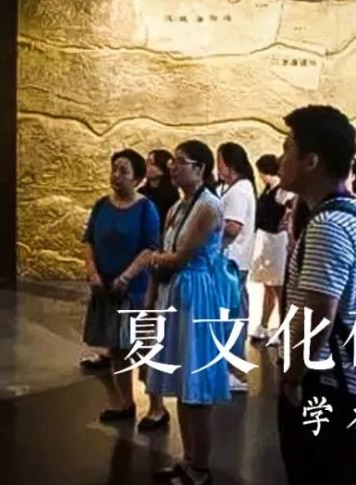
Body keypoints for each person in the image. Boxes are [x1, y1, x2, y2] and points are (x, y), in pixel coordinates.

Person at [276, 105, 356, 485]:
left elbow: (318, 312)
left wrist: (292, 376)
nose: (281, 159)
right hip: (341, 381)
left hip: (325, 384)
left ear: (311, 160)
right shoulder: (349, 214)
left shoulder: (328, 225)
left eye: (288, 148)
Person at [145, 140, 230, 485]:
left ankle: (201, 466)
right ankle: (189, 457)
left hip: (196, 294)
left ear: (200, 169)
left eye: (181, 161)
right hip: (176, 292)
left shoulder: (208, 205)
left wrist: (154, 259)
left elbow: (180, 255)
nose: (173, 167)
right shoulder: (178, 207)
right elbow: (167, 252)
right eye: (173, 161)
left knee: (196, 383)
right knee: (183, 382)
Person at [82, 149, 160, 423]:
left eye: (124, 171)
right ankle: (126, 402)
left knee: (142, 347)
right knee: (116, 347)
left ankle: (156, 407)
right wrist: (92, 272)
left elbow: (150, 248)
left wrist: (126, 277)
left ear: (137, 178)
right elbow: (89, 241)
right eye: (114, 169)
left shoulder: (146, 208)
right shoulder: (101, 205)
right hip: (105, 288)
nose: (117, 175)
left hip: (134, 290)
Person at [136, 148, 181, 432]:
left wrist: (157, 261)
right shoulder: (144, 196)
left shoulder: (173, 202)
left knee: (152, 339)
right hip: (148, 270)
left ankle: (157, 405)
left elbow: (169, 247)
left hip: (157, 273)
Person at [216, 142, 257, 392]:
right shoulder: (235, 188)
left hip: (232, 260)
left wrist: (207, 227)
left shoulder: (239, 191)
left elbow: (232, 227)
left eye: (219, 161)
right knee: (232, 314)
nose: (217, 167)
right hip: (233, 260)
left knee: (231, 316)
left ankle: (234, 370)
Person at [249, 154, 293, 341]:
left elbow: (289, 211)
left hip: (278, 242)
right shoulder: (269, 189)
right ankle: (264, 324)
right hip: (267, 240)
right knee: (268, 286)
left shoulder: (282, 191)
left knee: (279, 288)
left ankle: (284, 328)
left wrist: (285, 223)